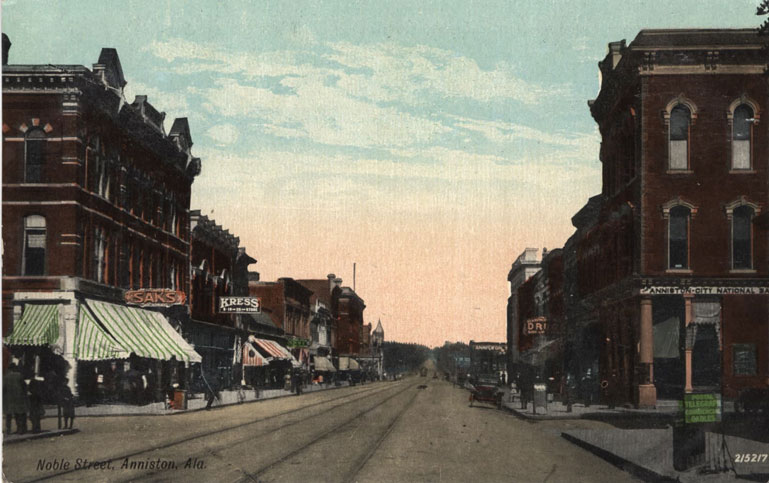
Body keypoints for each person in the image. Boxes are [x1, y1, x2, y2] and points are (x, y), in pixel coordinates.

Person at [3, 363, 28, 434]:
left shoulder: (6, 377)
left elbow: (3, 388)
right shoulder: (19, 375)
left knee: (8, 416)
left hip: (9, 399)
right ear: (15, 368)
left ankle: (8, 430)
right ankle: (20, 430)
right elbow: (24, 387)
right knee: (19, 415)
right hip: (19, 398)